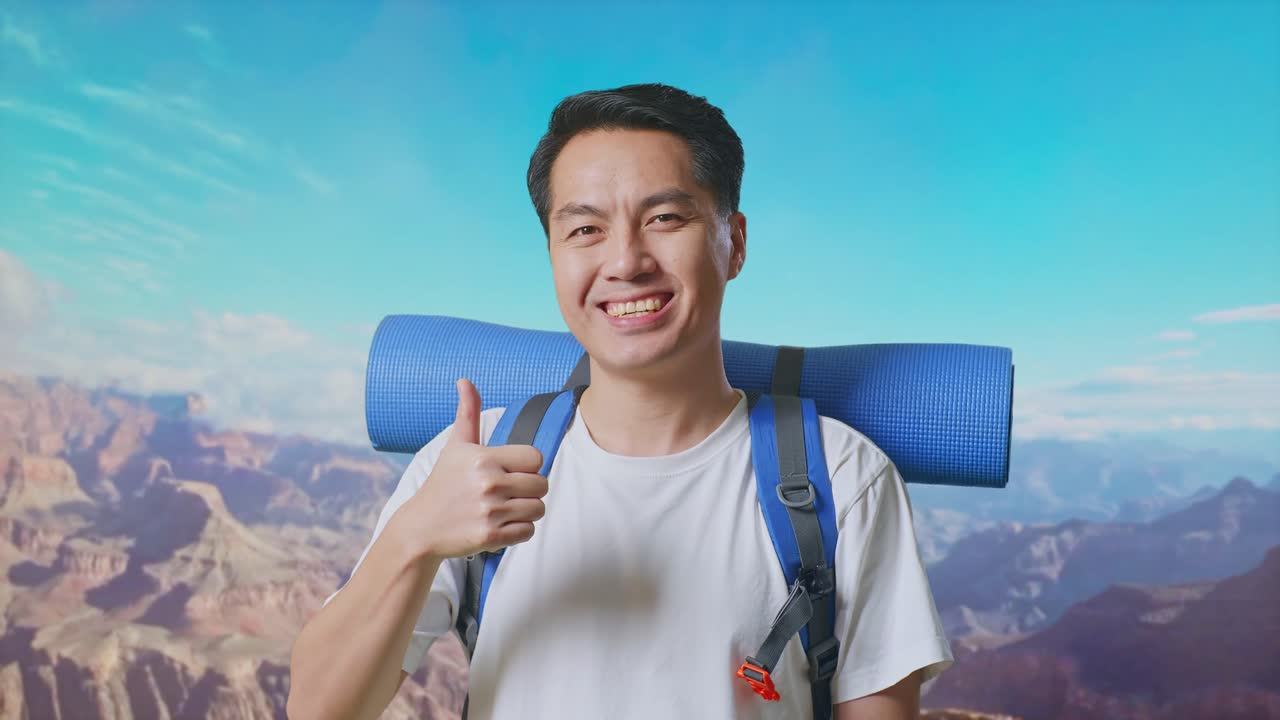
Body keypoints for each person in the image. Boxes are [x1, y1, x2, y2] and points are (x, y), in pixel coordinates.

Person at [288, 83, 952, 720]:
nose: (626, 260)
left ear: (735, 242)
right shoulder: (475, 463)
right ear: (551, 252)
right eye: (585, 230)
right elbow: (319, 710)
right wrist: (415, 537)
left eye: (665, 218)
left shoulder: (842, 478)